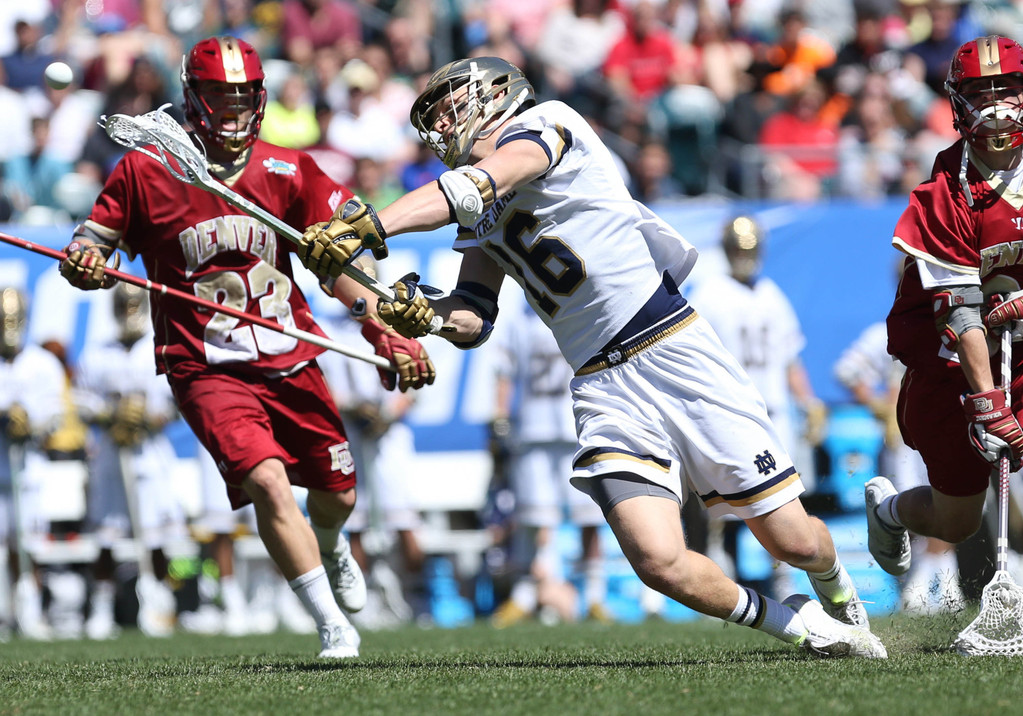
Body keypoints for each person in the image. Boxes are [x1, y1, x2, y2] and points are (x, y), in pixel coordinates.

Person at [296, 56, 887, 658]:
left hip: (671, 348)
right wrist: (423, 314)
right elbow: (474, 316)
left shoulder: (547, 123)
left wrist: (373, 224)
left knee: (794, 542)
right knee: (657, 560)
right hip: (600, 382)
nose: (443, 126)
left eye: (450, 107)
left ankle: (836, 586)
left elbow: (478, 186)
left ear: (496, 94)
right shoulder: (480, 207)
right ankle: (798, 626)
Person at [57, 36, 436, 658]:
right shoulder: (146, 170)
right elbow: (93, 240)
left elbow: (339, 262)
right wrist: (85, 259)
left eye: (242, 96)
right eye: (219, 95)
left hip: (289, 354)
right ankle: (331, 625)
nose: (233, 108)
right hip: (204, 365)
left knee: (338, 494)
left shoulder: (288, 168)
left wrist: (383, 329)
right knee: (266, 481)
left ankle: (331, 543)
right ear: (193, 97)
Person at [868, 35, 1023, 590]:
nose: (996, 106)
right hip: (955, 365)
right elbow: (959, 314)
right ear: (957, 102)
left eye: (1007, 90)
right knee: (957, 521)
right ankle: (890, 512)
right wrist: (987, 403)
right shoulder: (946, 191)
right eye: (981, 93)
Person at [488, 302, 609, 627]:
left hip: (576, 427)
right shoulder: (519, 321)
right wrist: (500, 417)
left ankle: (594, 597)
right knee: (534, 517)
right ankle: (526, 595)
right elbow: (504, 373)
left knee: (589, 517)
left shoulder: (578, 310)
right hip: (532, 429)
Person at [75, 281, 184, 639]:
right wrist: (110, 415)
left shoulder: (159, 347)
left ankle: (160, 600)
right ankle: (102, 606)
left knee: (156, 535)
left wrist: (150, 417)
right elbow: (82, 399)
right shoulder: (98, 353)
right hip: (111, 452)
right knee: (106, 535)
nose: (128, 313)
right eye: (123, 306)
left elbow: (176, 400)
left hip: (150, 452)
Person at [833, 319, 964, 614]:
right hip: (908, 430)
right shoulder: (889, 330)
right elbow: (847, 370)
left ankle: (941, 581)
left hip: (946, 422)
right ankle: (923, 582)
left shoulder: (959, 322)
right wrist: (878, 405)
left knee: (953, 499)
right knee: (915, 500)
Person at [0, 286, 66, 640]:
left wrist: (31, 422)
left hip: (28, 468)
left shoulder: (43, 363)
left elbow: (55, 414)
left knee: (29, 543)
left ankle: (31, 609)